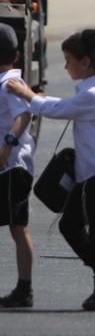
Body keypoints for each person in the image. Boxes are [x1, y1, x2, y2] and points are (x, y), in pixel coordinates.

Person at [5, 29, 95, 311]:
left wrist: (27, 94)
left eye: (68, 60)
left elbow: (60, 109)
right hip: (92, 174)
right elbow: (64, 106)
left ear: (85, 62)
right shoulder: (90, 91)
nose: (65, 66)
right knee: (71, 225)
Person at [0, 25, 35, 308]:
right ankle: (24, 289)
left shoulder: (10, 85)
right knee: (17, 229)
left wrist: (8, 144)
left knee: (18, 228)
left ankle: (24, 290)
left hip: (12, 167)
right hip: (8, 167)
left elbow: (24, 115)